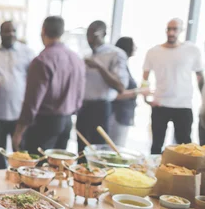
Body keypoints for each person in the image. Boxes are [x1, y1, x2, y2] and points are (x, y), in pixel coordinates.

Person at [12, 16, 85, 154]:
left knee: (37, 168)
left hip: (44, 123)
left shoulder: (42, 60)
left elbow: (32, 101)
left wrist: (19, 131)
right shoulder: (76, 58)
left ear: (43, 31)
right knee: (57, 167)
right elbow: (80, 94)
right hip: (67, 121)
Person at [0, 21, 35, 169]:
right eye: (6, 31)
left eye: (13, 31)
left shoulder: (28, 53)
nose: (10, 35)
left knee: (21, 152)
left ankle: (20, 182)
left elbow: (34, 79)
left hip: (20, 113)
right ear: (0, 33)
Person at [144, 18, 204, 154]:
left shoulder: (191, 50)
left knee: (185, 146)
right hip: (160, 104)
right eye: (168, 29)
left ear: (181, 30)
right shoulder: (154, 51)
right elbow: (145, 78)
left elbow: (200, 76)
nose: (171, 32)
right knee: (156, 145)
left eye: (175, 29)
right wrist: (146, 98)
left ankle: (183, 174)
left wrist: (203, 100)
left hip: (183, 104)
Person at [76, 20, 128, 153]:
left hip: (101, 108)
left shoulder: (115, 54)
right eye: (88, 35)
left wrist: (99, 67)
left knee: (98, 151)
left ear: (104, 34)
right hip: (83, 108)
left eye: (94, 35)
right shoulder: (87, 55)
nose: (89, 39)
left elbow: (121, 86)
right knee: (82, 151)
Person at [110, 37, 148, 146]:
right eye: (133, 45)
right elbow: (115, 95)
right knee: (115, 148)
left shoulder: (124, 66)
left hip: (123, 115)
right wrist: (139, 91)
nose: (136, 48)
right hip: (117, 114)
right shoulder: (118, 68)